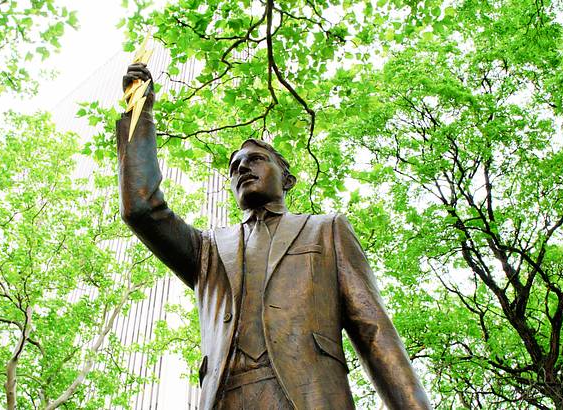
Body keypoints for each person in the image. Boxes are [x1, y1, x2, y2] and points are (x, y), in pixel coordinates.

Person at [116, 63, 432, 410]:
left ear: (287, 179)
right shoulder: (207, 250)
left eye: (256, 160)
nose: (242, 169)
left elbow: (374, 332)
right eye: (235, 168)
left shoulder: (327, 230)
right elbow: (142, 210)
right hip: (226, 398)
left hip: (308, 397)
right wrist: (139, 113)